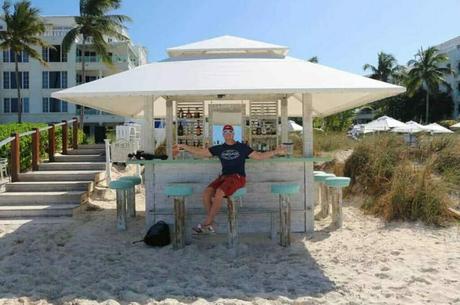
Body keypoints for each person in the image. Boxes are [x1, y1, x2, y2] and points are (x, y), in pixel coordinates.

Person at [173, 124, 286, 233]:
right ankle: (210, 223)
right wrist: (183, 146)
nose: (228, 134)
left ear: (233, 134)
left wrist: (276, 151)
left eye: (230, 132)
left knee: (219, 192)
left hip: (238, 177)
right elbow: (200, 152)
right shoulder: (219, 148)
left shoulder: (242, 147)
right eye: (225, 132)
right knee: (206, 193)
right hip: (224, 177)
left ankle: (207, 224)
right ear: (222, 134)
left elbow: (259, 156)